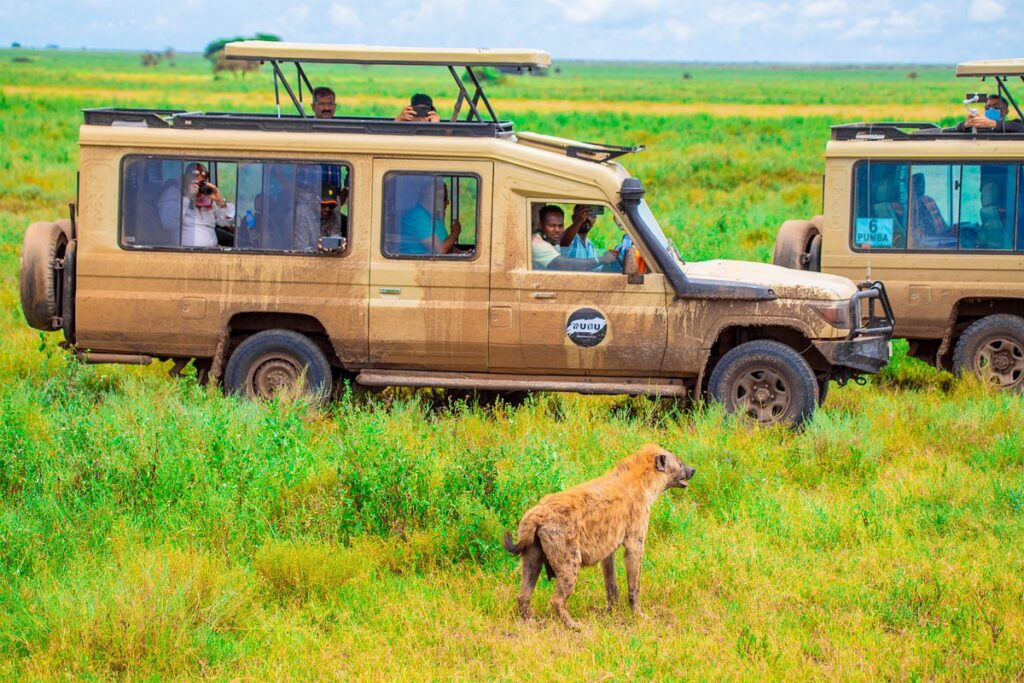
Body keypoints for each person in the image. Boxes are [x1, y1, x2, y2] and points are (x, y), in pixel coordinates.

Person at [157, 162, 234, 248]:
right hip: (184, 254)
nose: (199, 183)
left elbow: (227, 222)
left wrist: (220, 201)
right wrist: (188, 197)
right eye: (195, 175)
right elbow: (169, 223)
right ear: (186, 178)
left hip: (211, 252)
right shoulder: (173, 193)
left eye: (204, 177)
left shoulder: (207, 197)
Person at [531, 204, 619, 271]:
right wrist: (601, 259)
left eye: (560, 226)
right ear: (540, 225)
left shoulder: (590, 244)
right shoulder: (537, 244)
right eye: (552, 225)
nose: (557, 230)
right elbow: (564, 264)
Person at [397, 177, 460, 254]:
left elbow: (448, 247)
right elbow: (440, 250)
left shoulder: (434, 217)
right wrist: (455, 232)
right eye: (444, 197)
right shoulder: (417, 217)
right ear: (433, 197)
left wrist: (463, 253)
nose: (448, 202)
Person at [909, 173, 955, 248]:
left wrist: (949, 231)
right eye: (917, 184)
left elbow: (942, 223)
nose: (921, 187)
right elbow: (923, 233)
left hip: (941, 237)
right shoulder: (912, 205)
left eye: (922, 184)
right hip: (930, 242)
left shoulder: (929, 200)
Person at [955, 95, 1024, 133]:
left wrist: (994, 124)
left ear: (1006, 112)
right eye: (988, 107)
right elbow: (958, 128)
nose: (991, 109)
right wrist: (966, 124)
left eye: (996, 106)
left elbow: (1020, 127)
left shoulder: (1013, 125)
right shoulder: (980, 125)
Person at [320, 180, 349, 247]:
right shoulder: (305, 216)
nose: (327, 209)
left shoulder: (335, 215)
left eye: (331, 206)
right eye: (324, 205)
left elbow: (335, 236)